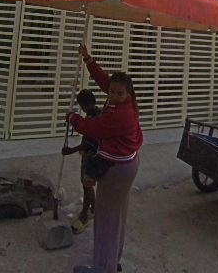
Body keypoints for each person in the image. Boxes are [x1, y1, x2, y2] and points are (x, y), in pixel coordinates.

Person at [66, 44, 143, 273]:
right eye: (112, 92)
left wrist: (72, 118)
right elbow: (103, 80)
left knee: (106, 219)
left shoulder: (120, 115)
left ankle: (102, 267)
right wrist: (88, 59)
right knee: (116, 216)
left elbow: (92, 128)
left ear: (128, 94)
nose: (114, 95)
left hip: (117, 169)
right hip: (126, 164)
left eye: (119, 93)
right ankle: (111, 261)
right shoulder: (122, 102)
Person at [62, 88, 101, 234]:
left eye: (82, 106)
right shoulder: (96, 113)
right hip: (93, 156)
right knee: (88, 185)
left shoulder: (93, 118)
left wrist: (71, 150)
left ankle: (84, 216)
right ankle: (94, 209)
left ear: (85, 105)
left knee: (86, 185)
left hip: (91, 157)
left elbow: (89, 143)